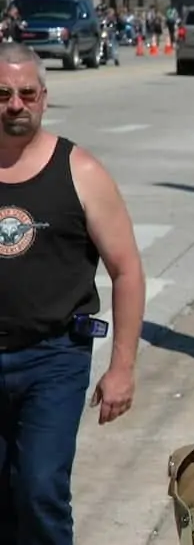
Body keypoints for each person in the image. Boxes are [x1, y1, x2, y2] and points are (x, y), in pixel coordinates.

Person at [0, 43, 145, 544]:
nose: (14, 104)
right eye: (2, 94)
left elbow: (126, 270)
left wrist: (122, 367)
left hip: (53, 359)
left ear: (44, 97)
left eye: (25, 93)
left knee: (39, 488)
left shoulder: (79, 170)